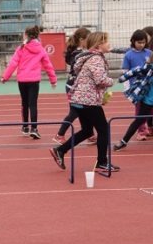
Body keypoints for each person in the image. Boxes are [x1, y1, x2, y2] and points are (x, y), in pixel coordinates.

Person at [49, 32, 118, 174]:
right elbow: (100, 79)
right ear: (99, 45)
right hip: (88, 101)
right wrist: (112, 81)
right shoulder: (96, 59)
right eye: (107, 42)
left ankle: (60, 150)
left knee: (87, 131)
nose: (109, 44)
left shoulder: (88, 57)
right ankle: (102, 162)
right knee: (103, 129)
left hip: (79, 99)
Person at [114, 44, 153, 152]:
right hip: (148, 100)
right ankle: (123, 142)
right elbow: (136, 70)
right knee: (138, 121)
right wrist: (123, 78)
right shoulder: (151, 68)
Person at [1, 25, 57, 139]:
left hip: (22, 80)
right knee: (33, 104)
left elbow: (13, 63)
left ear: (26, 35)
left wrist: (5, 77)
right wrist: (53, 80)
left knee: (24, 103)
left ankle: (25, 126)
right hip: (34, 80)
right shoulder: (41, 49)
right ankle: (34, 129)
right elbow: (48, 66)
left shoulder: (21, 48)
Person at [53, 27, 91, 144]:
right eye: (88, 40)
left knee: (86, 110)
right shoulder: (78, 54)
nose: (90, 42)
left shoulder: (78, 53)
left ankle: (89, 134)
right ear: (81, 40)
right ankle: (59, 135)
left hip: (76, 85)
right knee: (75, 112)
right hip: (74, 86)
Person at [120, 30, 153, 142]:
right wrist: (127, 86)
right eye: (139, 42)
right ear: (133, 41)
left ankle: (144, 125)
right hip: (136, 86)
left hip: (149, 84)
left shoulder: (149, 52)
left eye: (143, 42)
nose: (141, 45)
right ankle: (141, 130)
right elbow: (125, 71)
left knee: (151, 108)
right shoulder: (129, 55)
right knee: (139, 109)